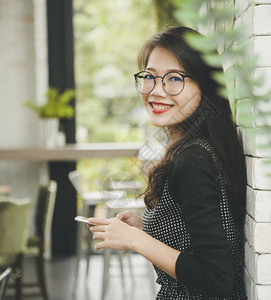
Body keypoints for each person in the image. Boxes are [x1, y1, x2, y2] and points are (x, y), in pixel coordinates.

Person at [88, 26, 247, 299]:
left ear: (206, 86)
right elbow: (196, 239)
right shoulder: (201, 147)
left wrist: (136, 240)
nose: (156, 91)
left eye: (174, 79)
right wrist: (144, 227)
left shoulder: (192, 160)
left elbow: (217, 277)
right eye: (149, 77)